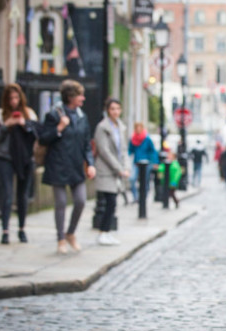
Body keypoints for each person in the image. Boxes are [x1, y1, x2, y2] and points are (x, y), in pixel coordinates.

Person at [39, 79, 96, 254]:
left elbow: (86, 143)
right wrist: (59, 127)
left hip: (76, 165)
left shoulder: (81, 117)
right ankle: (60, 239)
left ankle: (70, 232)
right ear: (70, 96)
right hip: (58, 164)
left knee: (80, 201)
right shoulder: (54, 115)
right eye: (80, 95)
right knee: (61, 203)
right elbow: (43, 138)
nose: (83, 98)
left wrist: (90, 164)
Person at [0, 83, 38, 245]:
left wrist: (24, 124)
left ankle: (22, 229)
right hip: (5, 158)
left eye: (16, 97)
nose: (14, 101)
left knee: (22, 196)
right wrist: (7, 125)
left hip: (25, 158)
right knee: (7, 195)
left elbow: (37, 136)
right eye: (10, 98)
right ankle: (5, 231)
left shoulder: (29, 114)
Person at [93, 98, 130, 246]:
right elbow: (104, 151)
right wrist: (119, 169)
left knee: (112, 204)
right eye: (112, 108)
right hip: (106, 170)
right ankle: (103, 232)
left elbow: (123, 150)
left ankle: (106, 232)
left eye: (118, 108)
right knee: (109, 202)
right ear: (108, 110)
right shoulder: (102, 127)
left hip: (117, 171)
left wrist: (126, 167)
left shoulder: (121, 127)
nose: (115, 111)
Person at [128, 122, 159, 203]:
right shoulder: (133, 139)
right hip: (136, 163)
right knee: (132, 179)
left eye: (139, 127)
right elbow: (129, 150)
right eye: (136, 128)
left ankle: (143, 198)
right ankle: (136, 198)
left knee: (145, 181)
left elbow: (153, 151)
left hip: (146, 164)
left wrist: (155, 162)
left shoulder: (147, 138)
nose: (138, 129)